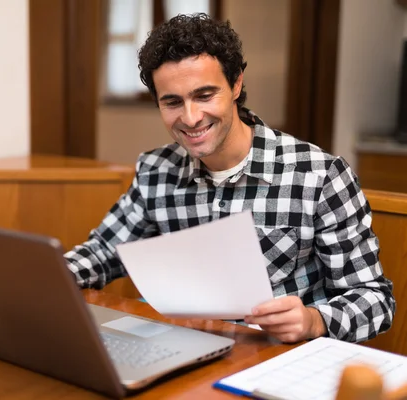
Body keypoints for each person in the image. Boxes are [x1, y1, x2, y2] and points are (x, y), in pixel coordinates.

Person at [65, 13, 395, 344]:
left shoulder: (320, 176)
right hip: (184, 348)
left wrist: (314, 320)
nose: (191, 118)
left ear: (236, 84)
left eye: (204, 95)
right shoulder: (155, 171)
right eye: (172, 102)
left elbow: (375, 300)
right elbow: (104, 251)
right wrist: (46, 276)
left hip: (275, 358)